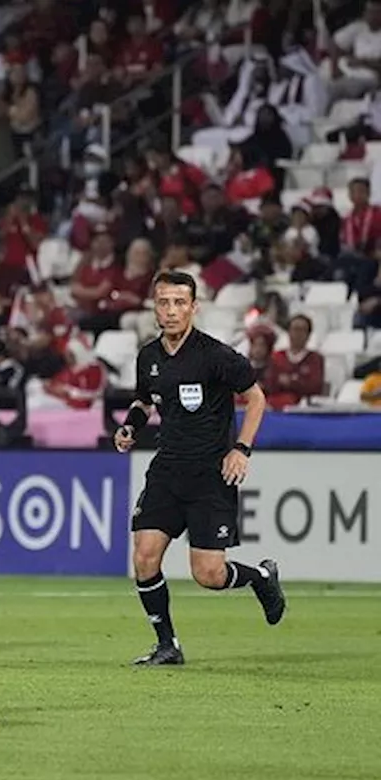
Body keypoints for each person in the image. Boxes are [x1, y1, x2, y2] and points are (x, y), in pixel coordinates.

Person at [113, 270, 286, 666]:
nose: (171, 311)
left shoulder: (217, 356)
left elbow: (256, 399)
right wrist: (130, 427)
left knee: (208, 574)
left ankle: (260, 577)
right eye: (163, 302)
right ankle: (167, 646)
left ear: (194, 307)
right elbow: (145, 402)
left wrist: (241, 449)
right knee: (144, 555)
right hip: (167, 469)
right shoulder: (149, 357)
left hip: (210, 474)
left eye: (179, 303)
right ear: (154, 307)